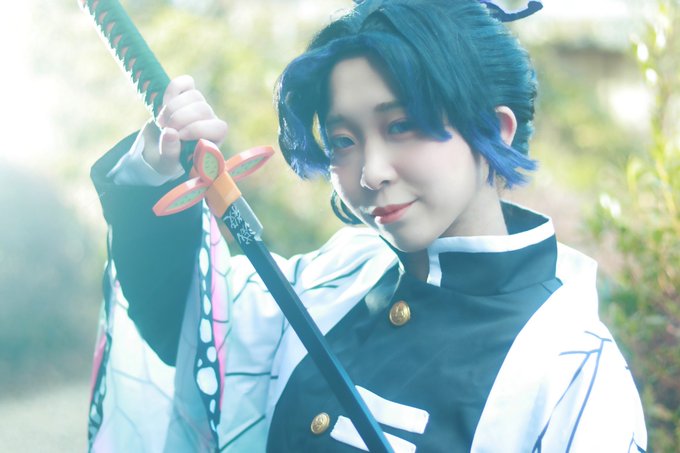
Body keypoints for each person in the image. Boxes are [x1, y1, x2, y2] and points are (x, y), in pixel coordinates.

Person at [88, 0, 647, 451]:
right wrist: (157, 168)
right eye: (342, 141)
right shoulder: (339, 276)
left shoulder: (572, 367)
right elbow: (191, 333)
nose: (371, 172)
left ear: (495, 131)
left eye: (401, 125)